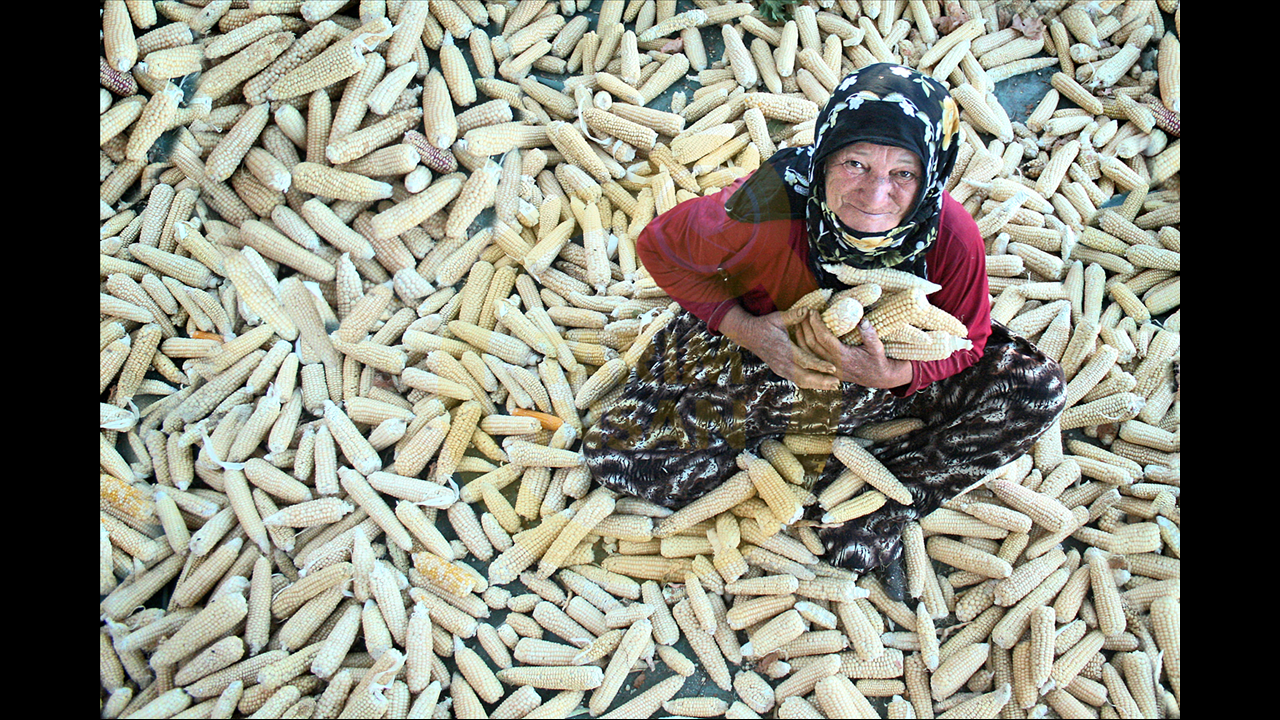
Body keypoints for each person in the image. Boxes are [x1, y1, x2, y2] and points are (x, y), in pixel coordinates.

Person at [582, 63, 1066, 587]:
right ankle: (801, 471)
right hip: (770, 364)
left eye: (903, 174)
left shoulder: (949, 234)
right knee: (620, 457)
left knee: (1035, 389)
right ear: (825, 155)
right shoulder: (768, 204)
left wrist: (895, 375)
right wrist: (750, 332)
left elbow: (969, 342)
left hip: (885, 383)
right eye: (855, 164)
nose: (875, 195)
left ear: (931, 175)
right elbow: (659, 246)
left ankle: (877, 492)